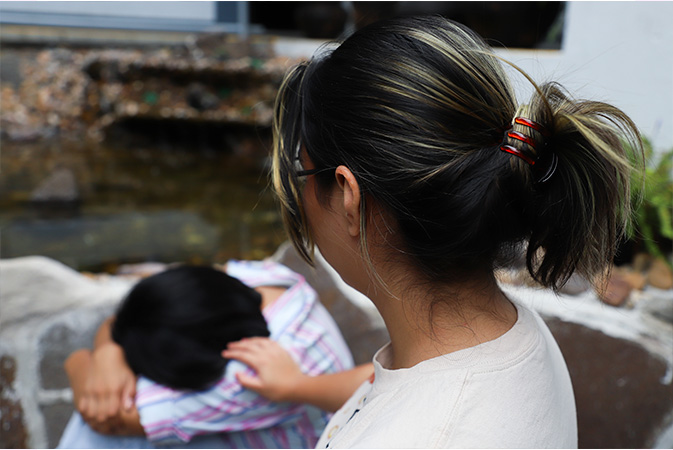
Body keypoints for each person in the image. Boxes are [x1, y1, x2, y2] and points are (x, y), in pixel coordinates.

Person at [222, 15, 643, 448]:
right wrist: (298, 388)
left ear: (349, 197)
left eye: (304, 171)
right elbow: (389, 386)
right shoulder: (509, 336)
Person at [59, 260, 354, 448]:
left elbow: (105, 415)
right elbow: (123, 320)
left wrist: (81, 360)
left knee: (118, 430)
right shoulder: (265, 279)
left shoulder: (250, 379)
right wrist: (109, 351)